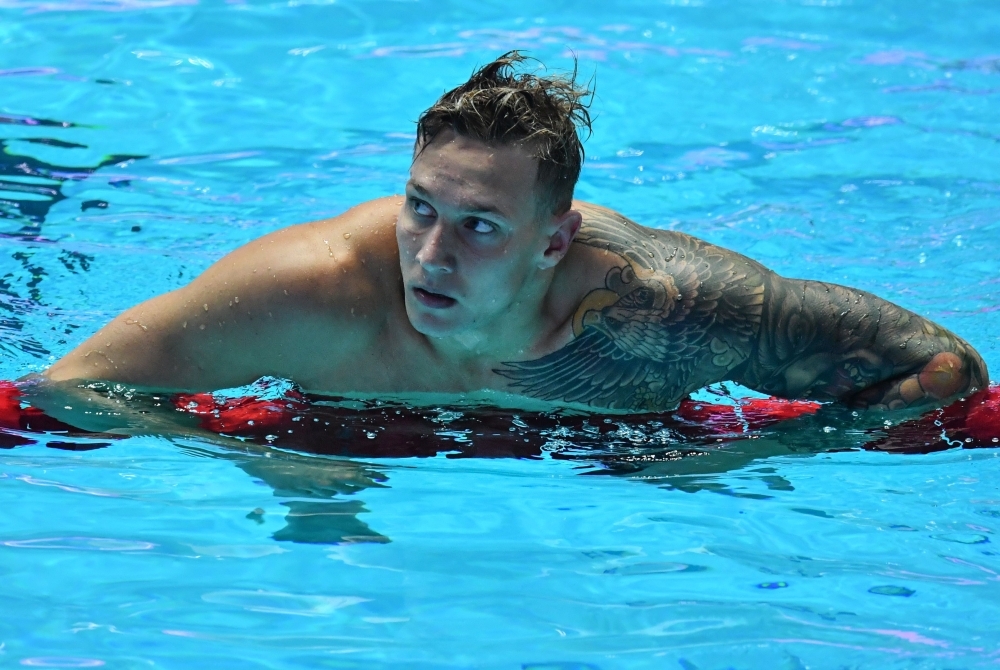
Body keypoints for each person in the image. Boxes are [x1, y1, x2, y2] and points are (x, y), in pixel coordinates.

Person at [44, 52, 988, 414]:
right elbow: (69, 388)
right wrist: (259, 454)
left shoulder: (668, 308)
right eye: (420, 206)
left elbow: (947, 369)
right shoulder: (306, 293)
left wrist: (760, 454)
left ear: (554, 243)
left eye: (480, 225)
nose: (429, 253)